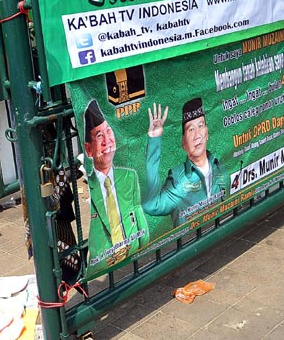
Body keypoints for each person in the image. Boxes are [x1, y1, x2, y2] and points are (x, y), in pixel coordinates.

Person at [83, 100, 149, 270]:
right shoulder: (89, 185)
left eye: (108, 131)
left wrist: (145, 247)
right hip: (105, 261)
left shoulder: (129, 176)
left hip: (132, 252)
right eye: (99, 136)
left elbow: (138, 214)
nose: (107, 141)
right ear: (89, 149)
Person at [144, 99, 227, 226]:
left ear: (207, 132)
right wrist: (155, 139)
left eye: (200, 126)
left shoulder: (220, 168)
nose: (197, 135)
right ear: (183, 143)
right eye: (191, 129)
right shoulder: (178, 180)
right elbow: (152, 205)